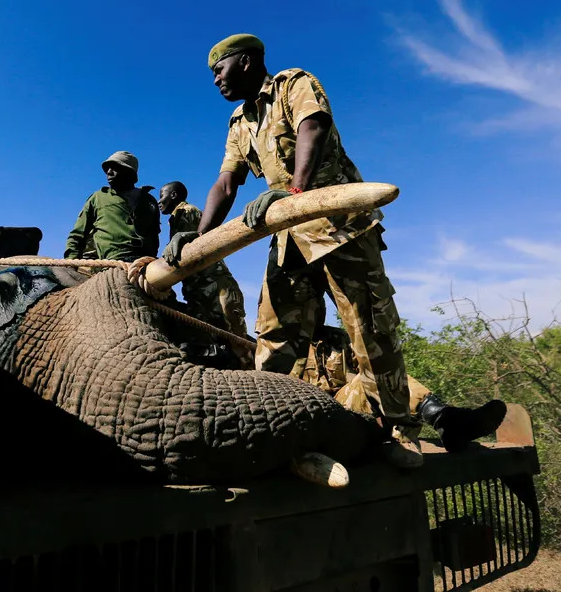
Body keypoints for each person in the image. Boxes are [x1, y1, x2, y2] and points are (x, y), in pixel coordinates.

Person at [164, 34, 505, 467]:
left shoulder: (294, 84)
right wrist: (199, 236)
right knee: (273, 338)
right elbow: (227, 182)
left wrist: (294, 190)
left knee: (369, 330)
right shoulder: (239, 122)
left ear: (246, 62)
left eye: (219, 69)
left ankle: (396, 433)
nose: (215, 79)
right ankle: (267, 428)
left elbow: (314, 127)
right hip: (287, 238)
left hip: (338, 226)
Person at [158, 181, 248, 337]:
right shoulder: (176, 217)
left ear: (173, 195)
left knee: (236, 342)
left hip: (214, 287)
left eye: (161, 196)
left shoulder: (185, 212)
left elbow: (192, 246)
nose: (159, 201)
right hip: (201, 289)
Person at [65, 151, 161, 262]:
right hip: (112, 261)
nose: (109, 172)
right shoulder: (98, 198)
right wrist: (71, 262)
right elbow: (78, 235)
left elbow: (155, 235)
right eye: (107, 169)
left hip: (146, 262)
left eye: (115, 167)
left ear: (130, 172)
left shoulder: (148, 200)